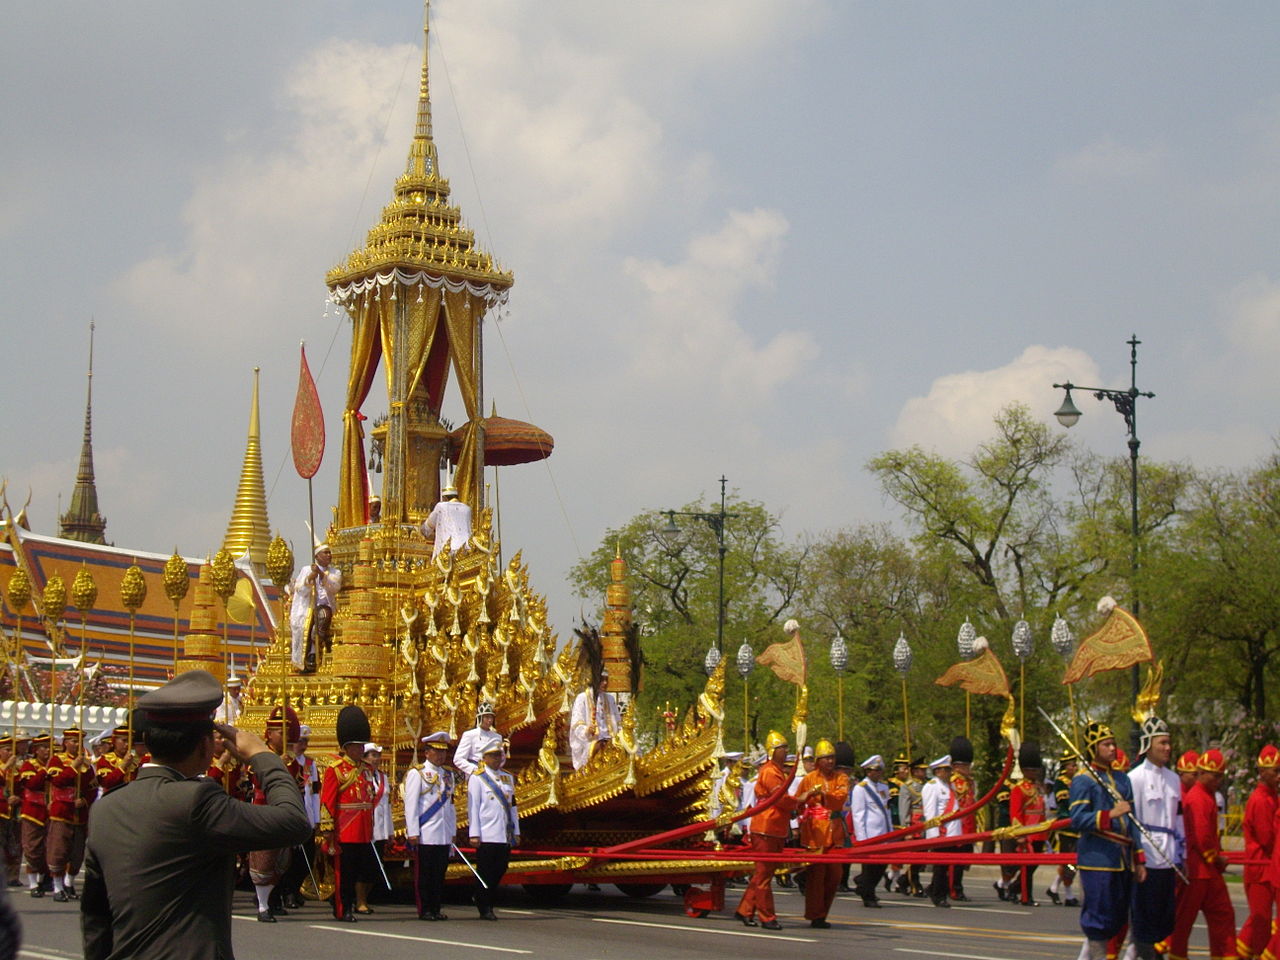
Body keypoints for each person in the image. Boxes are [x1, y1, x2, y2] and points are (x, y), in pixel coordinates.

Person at [80, 670, 312, 960]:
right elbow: (293, 822)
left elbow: (95, 921)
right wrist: (262, 756)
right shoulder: (198, 800)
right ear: (205, 746)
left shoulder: (105, 810)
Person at [1068, 721, 1146, 960]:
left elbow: (1132, 823)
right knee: (1098, 920)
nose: (1112, 749)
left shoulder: (1123, 780)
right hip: (1097, 858)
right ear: (1094, 748)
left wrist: (1139, 859)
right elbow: (1078, 818)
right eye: (1106, 744)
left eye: (1113, 744)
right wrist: (1109, 814)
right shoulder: (1084, 780)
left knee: (1120, 916)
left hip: (1121, 858)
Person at [1165, 749, 1237, 960]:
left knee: (1223, 915)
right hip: (1198, 870)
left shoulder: (1207, 796)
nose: (1218, 781)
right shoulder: (1197, 798)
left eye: (1221, 776)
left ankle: (1226, 955)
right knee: (1184, 921)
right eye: (1215, 776)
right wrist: (1216, 858)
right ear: (1202, 773)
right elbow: (1201, 835)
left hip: (1208, 871)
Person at [1125, 717, 1184, 960]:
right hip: (1146, 859)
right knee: (1144, 923)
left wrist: (1183, 854)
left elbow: (1179, 820)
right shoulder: (1135, 777)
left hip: (1168, 858)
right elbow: (1132, 822)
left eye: (1169, 743)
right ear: (1148, 746)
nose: (1167, 748)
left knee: (1164, 921)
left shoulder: (1174, 779)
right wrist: (1137, 859)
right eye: (1162, 743)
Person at [734, 731, 802, 930]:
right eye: (783, 748)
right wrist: (800, 800)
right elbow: (780, 798)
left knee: (763, 874)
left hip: (774, 827)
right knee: (763, 876)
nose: (786, 751)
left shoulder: (777, 770)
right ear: (774, 751)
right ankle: (767, 917)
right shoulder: (770, 771)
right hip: (766, 827)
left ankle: (745, 910)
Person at [320, 705, 377, 922]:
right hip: (345, 830)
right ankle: (342, 908)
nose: (361, 750)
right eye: (357, 746)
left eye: (362, 746)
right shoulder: (336, 769)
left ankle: (349, 904)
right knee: (343, 873)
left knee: (355, 873)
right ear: (347, 747)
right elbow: (327, 801)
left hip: (362, 830)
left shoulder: (364, 769)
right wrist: (328, 830)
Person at [248, 706, 301, 922]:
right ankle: (262, 906)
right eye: (280, 732)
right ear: (269, 733)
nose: (284, 736)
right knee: (264, 859)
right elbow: (257, 780)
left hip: (283, 811)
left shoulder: (292, 760)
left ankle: (271, 900)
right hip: (265, 810)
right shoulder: (260, 756)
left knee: (282, 860)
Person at [797, 739, 850, 928]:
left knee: (835, 875)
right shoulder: (809, 778)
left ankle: (823, 912)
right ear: (818, 760)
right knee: (816, 877)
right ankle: (815, 915)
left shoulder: (841, 778)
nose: (830, 761)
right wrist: (809, 795)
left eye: (832, 758)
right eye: (826, 758)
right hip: (814, 832)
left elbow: (840, 799)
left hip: (834, 832)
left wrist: (823, 795)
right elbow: (798, 801)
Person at [404, 731, 457, 921]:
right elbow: (411, 805)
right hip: (426, 832)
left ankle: (436, 907)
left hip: (442, 833)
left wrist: (452, 832)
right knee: (425, 874)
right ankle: (425, 908)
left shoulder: (448, 774)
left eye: (443, 751)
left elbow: (450, 806)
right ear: (427, 752)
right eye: (436, 751)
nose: (441, 755)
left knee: (439, 874)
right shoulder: (417, 773)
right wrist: (412, 832)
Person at [467, 742, 519, 920]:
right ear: (485, 758)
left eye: (499, 755)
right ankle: (484, 905)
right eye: (494, 756)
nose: (498, 759)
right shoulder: (478, 778)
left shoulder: (507, 778)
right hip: (486, 832)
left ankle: (484, 898)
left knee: (501, 868)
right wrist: (474, 833)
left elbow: (513, 807)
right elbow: (473, 807)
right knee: (486, 871)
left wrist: (516, 831)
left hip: (503, 832)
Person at [1238, 744, 1278, 960]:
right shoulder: (1260, 799)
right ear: (1262, 772)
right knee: (1260, 920)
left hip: (1267, 867)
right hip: (1260, 868)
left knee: (1261, 920)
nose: (1279, 776)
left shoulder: (1271, 796)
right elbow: (1267, 838)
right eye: (1276, 771)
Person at [46, 727, 95, 902]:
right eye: (73, 741)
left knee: (77, 852)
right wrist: (73, 768)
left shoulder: (86, 764)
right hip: (62, 812)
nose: (76, 745)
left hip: (79, 815)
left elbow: (92, 787)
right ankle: (57, 886)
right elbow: (57, 781)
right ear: (65, 742)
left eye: (79, 741)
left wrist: (85, 800)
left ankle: (69, 882)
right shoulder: (56, 760)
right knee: (58, 850)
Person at [291, 543, 343, 673]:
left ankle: (314, 651)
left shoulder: (335, 572)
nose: (329, 555)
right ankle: (304, 660)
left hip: (324, 606)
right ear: (317, 556)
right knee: (303, 625)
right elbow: (299, 589)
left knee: (322, 617)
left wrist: (321, 575)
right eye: (325, 553)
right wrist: (309, 579)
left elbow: (335, 587)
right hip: (307, 607)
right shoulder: (306, 570)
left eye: (329, 552)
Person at [851, 754, 893, 908]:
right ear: (868, 771)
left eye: (880, 770)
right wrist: (862, 839)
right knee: (870, 867)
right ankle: (868, 895)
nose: (879, 773)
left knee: (881, 865)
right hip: (870, 834)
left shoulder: (883, 787)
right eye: (875, 770)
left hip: (883, 832)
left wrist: (890, 831)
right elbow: (858, 814)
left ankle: (864, 886)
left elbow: (886, 811)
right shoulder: (860, 789)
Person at [1008, 742, 1047, 907]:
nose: (1035, 772)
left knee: (1033, 866)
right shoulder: (1019, 789)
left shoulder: (1037, 787)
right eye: (1033, 769)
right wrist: (1020, 835)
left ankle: (1014, 888)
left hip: (1039, 832)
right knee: (1027, 867)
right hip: (1028, 833)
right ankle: (1025, 896)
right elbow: (1015, 814)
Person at [355, 743, 391, 915]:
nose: (376, 759)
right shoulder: (360, 776)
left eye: (377, 755)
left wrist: (389, 830)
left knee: (377, 866)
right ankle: (360, 900)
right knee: (364, 866)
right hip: (366, 827)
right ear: (364, 757)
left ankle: (364, 898)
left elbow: (387, 805)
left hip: (380, 828)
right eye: (372, 755)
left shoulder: (383, 778)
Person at [923, 754, 961, 908]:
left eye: (949, 769)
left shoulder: (949, 786)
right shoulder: (932, 786)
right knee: (941, 867)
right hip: (941, 833)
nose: (949, 772)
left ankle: (934, 889)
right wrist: (933, 836)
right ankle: (939, 896)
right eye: (945, 770)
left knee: (946, 866)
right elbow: (930, 813)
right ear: (937, 771)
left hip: (952, 832)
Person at [18, 732, 51, 897]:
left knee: (48, 848)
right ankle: (32, 883)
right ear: (36, 750)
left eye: (49, 747)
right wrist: (44, 771)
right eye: (44, 747)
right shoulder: (28, 765)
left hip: (50, 812)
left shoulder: (56, 764)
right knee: (32, 848)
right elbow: (31, 784)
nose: (47, 751)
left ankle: (42, 879)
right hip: (33, 811)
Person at [569, 670, 622, 770]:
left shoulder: (610, 699)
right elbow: (576, 724)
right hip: (590, 742)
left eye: (607, 680)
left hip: (610, 742)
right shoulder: (582, 698)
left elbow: (618, 722)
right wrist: (587, 730)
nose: (605, 683)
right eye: (602, 680)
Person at [1047, 750, 1080, 906]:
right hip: (1066, 824)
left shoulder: (1077, 781)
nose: (1075, 768)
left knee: (1074, 862)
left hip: (1077, 825)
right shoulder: (1061, 782)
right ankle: (1066, 893)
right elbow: (1065, 803)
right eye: (1073, 765)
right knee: (1068, 859)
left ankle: (1055, 888)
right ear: (1065, 767)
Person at [948, 736, 977, 901]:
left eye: (967, 765)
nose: (967, 768)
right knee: (956, 862)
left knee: (963, 860)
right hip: (958, 826)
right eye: (963, 765)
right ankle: (954, 889)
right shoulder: (954, 782)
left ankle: (954, 887)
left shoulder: (969, 781)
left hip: (968, 825)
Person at [899, 757, 928, 897]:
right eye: (921, 770)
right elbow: (904, 808)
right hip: (914, 823)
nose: (923, 772)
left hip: (926, 824)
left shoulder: (928, 784)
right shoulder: (907, 786)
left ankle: (903, 880)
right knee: (914, 857)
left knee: (922, 857)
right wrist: (906, 828)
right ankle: (914, 884)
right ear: (915, 771)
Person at [421, 483, 472, 559]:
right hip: (466, 550)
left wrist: (422, 531)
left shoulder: (441, 507)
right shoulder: (467, 509)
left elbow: (428, 526)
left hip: (448, 551)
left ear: (444, 498)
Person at [455, 702, 503, 776]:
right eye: (486, 717)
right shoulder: (470, 735)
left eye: (491, 717)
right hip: (475, 774)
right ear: (480, 717)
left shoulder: (497, 737)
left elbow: (501, 758)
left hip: (493, 774)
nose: (490, 720)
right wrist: (475, 769)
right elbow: (458, 759)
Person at [0, 736, 20, 886]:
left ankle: (13, 876)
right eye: (7, 750)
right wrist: (6, 766)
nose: (11, 753)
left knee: (14, 845)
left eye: (12, 750)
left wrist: (17, 798)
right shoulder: (4, 767)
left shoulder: (16, 769)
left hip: (13, 811)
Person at [93, 726, 135, 795]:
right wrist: (123, 765)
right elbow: (106, 783)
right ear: (114, 741)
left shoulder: (136, 761)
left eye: (129, 741)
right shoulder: (105, 760)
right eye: (124, 740)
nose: (127, 744)